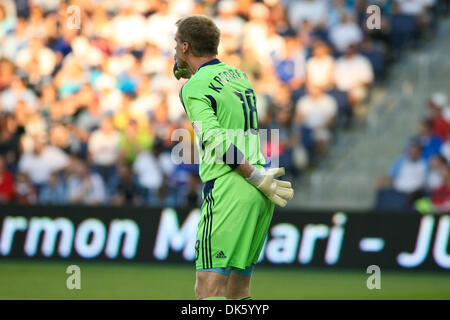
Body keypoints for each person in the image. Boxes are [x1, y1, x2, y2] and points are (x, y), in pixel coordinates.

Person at [173, 15, 293, 300]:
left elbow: (215, 140)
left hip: (233, 185)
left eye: (177, 44)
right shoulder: (238, 75)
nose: (174, 49)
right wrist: (258, 177)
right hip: (262, 189)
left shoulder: (192, 88)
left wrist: (251, 175)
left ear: (186, 46)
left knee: (208, 288)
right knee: (238, 291)